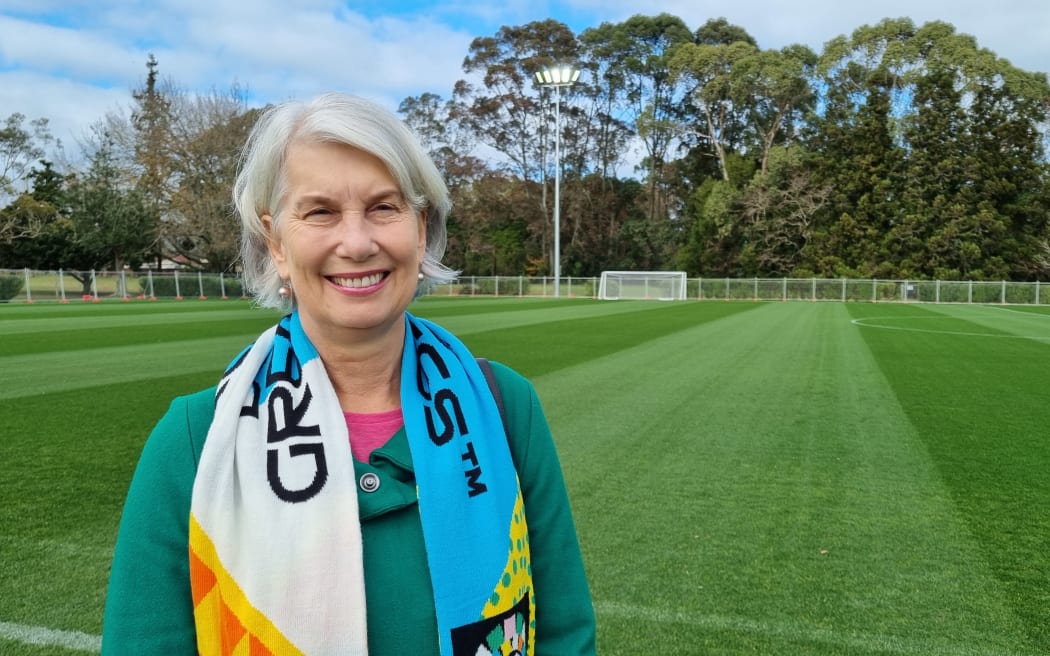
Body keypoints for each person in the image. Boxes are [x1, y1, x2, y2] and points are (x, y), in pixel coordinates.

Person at [101, 92, 596, 655]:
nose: (358, 243)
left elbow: (564, 635)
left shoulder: (505, 405)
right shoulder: (194, 439)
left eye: (385, 207)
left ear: (420, 226)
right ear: (276, 244)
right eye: (320, 212)